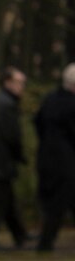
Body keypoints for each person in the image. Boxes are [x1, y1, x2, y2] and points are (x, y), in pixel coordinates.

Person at [0, 66, 30, 251]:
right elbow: (11, 135)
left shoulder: (2, 102)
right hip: (0, 161)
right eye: (19, 83)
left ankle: (19, 234)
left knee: (6, 200)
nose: (22, 87)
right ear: (8, 83)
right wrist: (19, 155)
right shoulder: (5, 105)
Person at [33, 62, 75, 251]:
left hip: (46, 156)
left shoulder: (50, 99)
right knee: (59, 203)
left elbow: (37, 122)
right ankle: (45, 242)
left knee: (55, 202)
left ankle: (46, 241)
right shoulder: (71, 105)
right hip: (65, 161)